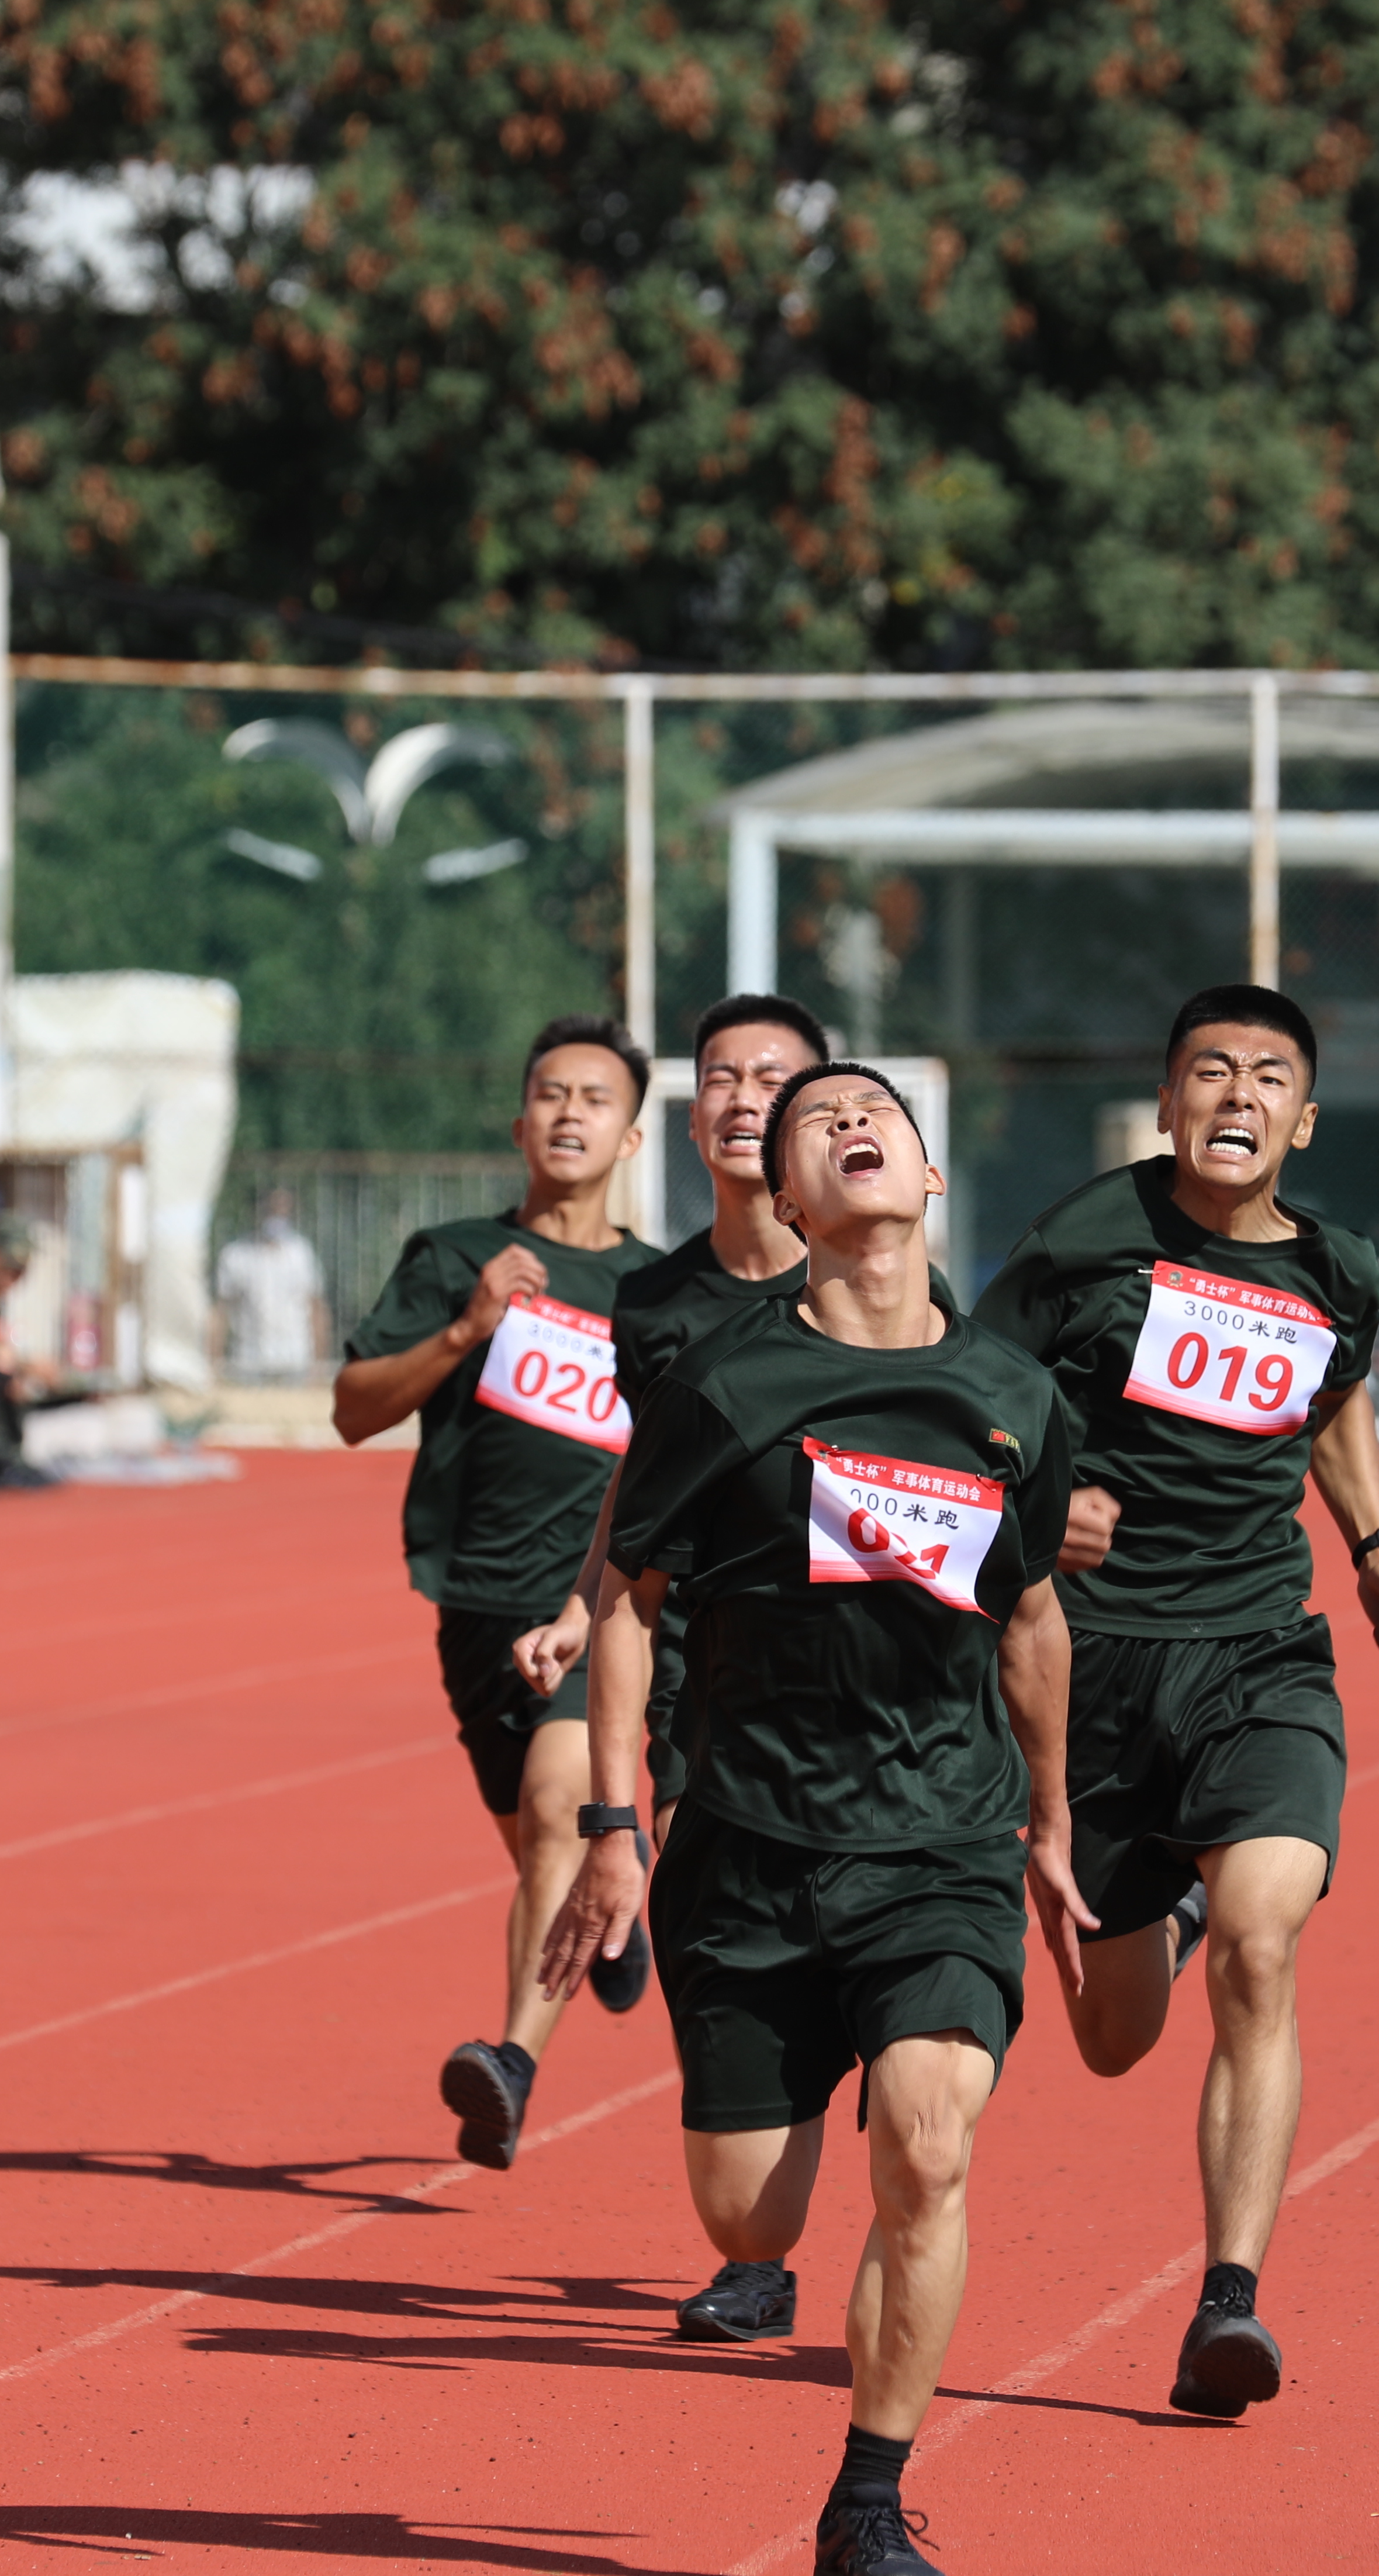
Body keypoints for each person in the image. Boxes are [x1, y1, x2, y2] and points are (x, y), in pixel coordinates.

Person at [544, 1060, 1080, 2576]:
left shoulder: (1012, 1400)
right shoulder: (721, 1383)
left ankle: (867, 2499)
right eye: (816, 1126)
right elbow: (628, 1602)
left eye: (881, 1121)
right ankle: (773, 2202)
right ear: (783, 1201)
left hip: (941, 1838)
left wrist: (1048, 1820)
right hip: (754, 1844)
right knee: (750, 2225)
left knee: (927, 2142)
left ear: (929, 1184)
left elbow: (1033, 1623)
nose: (853, 1129)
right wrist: (610, 1817)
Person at [970, 981, 1379, 2423]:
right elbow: (973, 1399)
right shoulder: (1080, 1241)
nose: (1236, 1096)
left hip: (1260, 1659)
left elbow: (1334, 1399)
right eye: (1209, 1072)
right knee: (1114, 2041)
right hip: (1095, 1669)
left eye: (1267, 1077)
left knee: (1263, 1939)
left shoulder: (1340, 1271)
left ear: (1304, 1117)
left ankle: (1228, 2302)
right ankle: (1149, 1913)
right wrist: (1046, 1501)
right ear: (1168, 1104)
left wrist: (1374, 1546)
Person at [506, 990, 958, 2346]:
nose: (749, 1098)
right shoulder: (656, 1304)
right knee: (750, 1955)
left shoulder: (907, 1295)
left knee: (900, 2007)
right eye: (723, 1077)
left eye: (784, 1079)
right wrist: (591, 1615)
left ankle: (900, 2081)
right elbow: (633, 1502)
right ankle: (765, 2250)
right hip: (708, 1674)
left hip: (884, 1704)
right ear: (693, 1117)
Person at [333, 1015, 661, 2168]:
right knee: (541, 1842)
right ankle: (613, 1917)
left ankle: (514, 2060)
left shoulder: (658, 1290)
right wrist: (473, 1322)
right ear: (521, 1121)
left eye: (596, 1098)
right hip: (475, 1602)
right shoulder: (454, 1255)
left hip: (607, 1611)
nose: (572, 1113)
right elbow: (355, 1408)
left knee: (564, 1801)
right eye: (552, 1095)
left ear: (630, 1133)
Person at [215, 1186, 333, 1380]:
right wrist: (215, 1362)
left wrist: (320, 1364)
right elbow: (222, 1311)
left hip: (295, 1358)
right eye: (272, 1209)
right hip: (249, 1360)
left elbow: (317, 1308)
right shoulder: (236, 1255)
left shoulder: (301, 1253)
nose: (277, 1215)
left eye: (284, 1210)